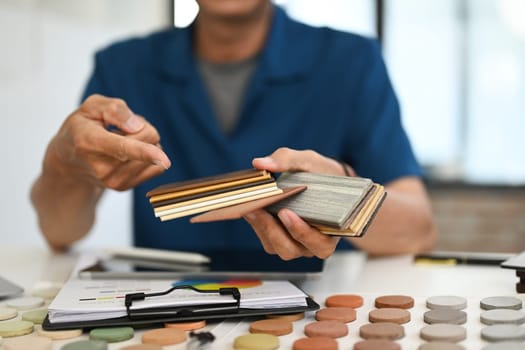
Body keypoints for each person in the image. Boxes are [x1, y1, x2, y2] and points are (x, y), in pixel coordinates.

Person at [30, 0, 437, 261]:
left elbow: (418, 230)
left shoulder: (352, 61)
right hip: (165, 308)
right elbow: (59, 233)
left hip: (317, 309)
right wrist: (62, 165)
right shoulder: (121, 67)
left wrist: (345, 196)